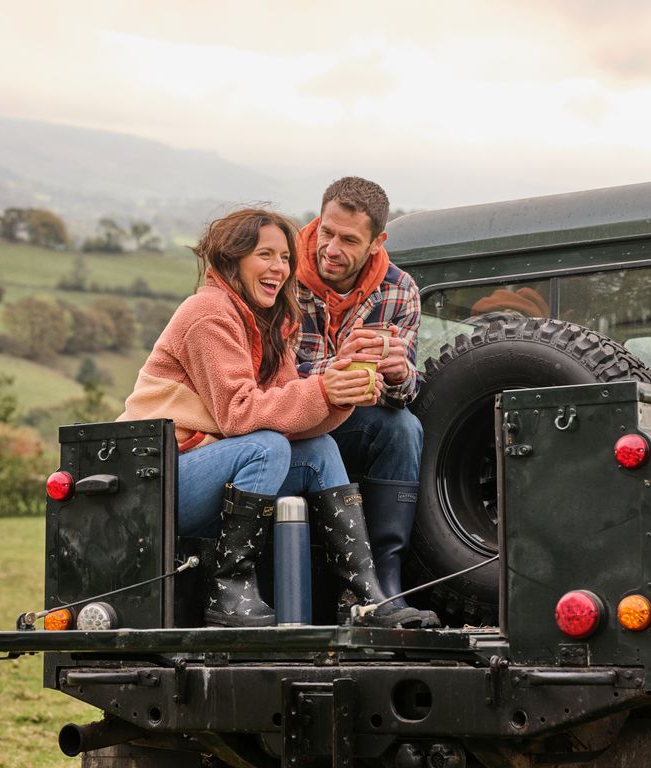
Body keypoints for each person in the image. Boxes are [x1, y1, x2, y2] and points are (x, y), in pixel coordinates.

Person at [118, 208, 421, 629]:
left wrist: (338, 393)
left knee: (319, 449)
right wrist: (321, 390)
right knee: (266, 446)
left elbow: (286, 411)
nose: (279, 268)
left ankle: (362, 595)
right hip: (157, 482)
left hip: (208, 466)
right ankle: (228, 589)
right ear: (231, 261)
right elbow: (239, 413)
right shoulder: (207, 313)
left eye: (285, 258)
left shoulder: (272, 322)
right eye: (265, 255)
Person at [295, 178, 440, 628]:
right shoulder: (280, 277)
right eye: (326, 232)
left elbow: (404, 395)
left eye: (349, 240)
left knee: (404, 428)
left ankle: (384, 585)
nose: (331, 249)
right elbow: (262, 377)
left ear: (377, 241)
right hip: (284, 422)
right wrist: (334, 373)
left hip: (351, 420)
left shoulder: (401, 290)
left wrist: (399, 374)